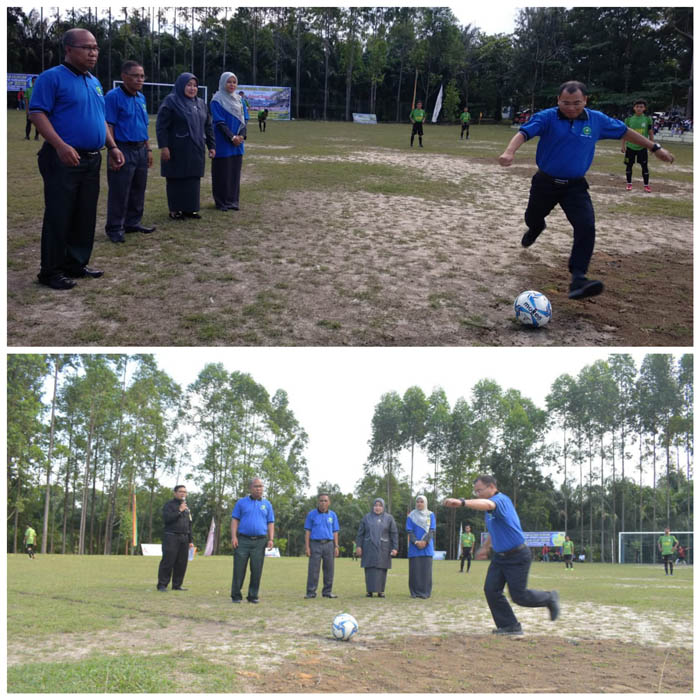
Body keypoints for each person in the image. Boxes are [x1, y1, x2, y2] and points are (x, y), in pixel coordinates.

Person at [498, 80, 675, 300]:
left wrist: (655, 148)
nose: (571, 108)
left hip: (575, 186)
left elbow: (625, 131)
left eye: (576, 103)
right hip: (545, 183)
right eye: (566, 103)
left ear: (585, 101)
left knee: (586, 225)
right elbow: (523, 133)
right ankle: (536, 228)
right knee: (532, 218)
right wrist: (509, 152)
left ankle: (578, 278)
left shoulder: (596, 120)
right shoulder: (547, 117)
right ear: (558, 100)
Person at [29, 28, 125, 290]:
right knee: (59, 214)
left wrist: (113, 146)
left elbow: (100, 119)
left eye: (95, 47)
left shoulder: (93, 81)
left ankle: (76, 263)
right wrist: (59, 145)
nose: (93, 52)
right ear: (69, 49)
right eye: (86, 47)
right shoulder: (52, 78)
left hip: (92, 158)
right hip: (63, 158)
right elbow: (37, 113)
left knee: (85, 214)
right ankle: (50, 271)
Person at [444, 475, 560, 636]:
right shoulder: (489, 510)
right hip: (500, 557)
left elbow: (488, 503)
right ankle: (510, 626)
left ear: (491, 487)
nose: (477, 494)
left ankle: (549, 597)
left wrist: (463, 502)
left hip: (517, 555)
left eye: (479, 490)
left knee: (520, 596)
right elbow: (494, 530)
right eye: (475, 491)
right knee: (491, 590)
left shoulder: (500, 500)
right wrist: (485, 547)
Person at [103, 60, 155, 244]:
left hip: (141, 148)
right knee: (119, 190)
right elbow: (109, 124)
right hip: (122, 148)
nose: (140, 79)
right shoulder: (113, 97)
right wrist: (112, 150)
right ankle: (115, 227)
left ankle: (133, 222)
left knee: (138, 189)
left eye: (142, 76)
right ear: (124, 77)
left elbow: (144, 124)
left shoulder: (140, 97)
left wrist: (148, 148)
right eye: (135, 76)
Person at [156, 72, 215, 220]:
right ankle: (175, 210)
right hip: (176, 148)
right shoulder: (171, 101)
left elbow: (208, 126)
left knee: (193, 179)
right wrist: (164, 146)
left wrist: (211, 146)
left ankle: (190, 209)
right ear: (181, 85)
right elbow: (161, 126)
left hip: (196, 147)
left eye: (195, 85)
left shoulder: (201, 103)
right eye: (189, 85)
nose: (192, 88)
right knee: (176, 178)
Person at [230, 477, 275, 604]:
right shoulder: (241, 503)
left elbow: (270, 522)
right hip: (242, 540)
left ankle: (253, 596)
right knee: (239, 569)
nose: (259, 489)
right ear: (250, 488)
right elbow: (235, 520)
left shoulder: (267, 504)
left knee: (256, 570)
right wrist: (234, 537)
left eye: (260, 486)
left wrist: (271, 539)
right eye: (256, 486)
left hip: (260, 542)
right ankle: (236, 596)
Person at [210, 72, 246, 212]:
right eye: (229, 82)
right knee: (222, 172)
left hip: (238, 144)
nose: (232, 85)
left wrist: (241, 137)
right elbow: (219, 122)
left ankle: (233, 200)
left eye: (234, 82)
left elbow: (244, 121)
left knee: (234, 172)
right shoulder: (216, 100)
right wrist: (232, 137)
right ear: (223, 83)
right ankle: (221, 202)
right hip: (223, 142)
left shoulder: (239, 100)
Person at [356, 497, 398, 598]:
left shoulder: (389, 518)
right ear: (373, 506)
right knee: (369, 568)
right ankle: (369, 591)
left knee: (381, 568)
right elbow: (360, 534)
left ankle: (381, 591)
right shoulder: (366, 518)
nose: (377, 507)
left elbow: (394, 534)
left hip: (384, 547)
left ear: (383, 507)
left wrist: (395, 547)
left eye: (380, 505)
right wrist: (358, 546)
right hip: (368, 547)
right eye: (376, 505)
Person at [157, 485, 194, 591]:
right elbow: (167, 519)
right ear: (175, 493)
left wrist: (190, 540)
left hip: (184, 538)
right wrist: (179, 511)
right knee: (168, 561)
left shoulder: (187, 508)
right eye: (181, 491)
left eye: (185, 492)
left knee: (182, 562)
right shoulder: (169, 505)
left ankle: (177, 585)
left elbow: (189, 524)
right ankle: (162, 585)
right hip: (171, 537)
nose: (183, 494)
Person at [303, 493, 340, 599]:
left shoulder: (333, 515)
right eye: (321, 500)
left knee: (329, 569)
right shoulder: (311, 514)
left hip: (329, 544)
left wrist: (336, 546)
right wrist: (307, 547)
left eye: (325, 501)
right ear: (318, 502)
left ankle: (327, 592)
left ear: (329, 502)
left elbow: (335, 532)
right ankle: (311, 592)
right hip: (315, 544)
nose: (323, 503)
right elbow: (307, 532)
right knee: (313, 569)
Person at [406, 495, 436, 598]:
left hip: (427, 548)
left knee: (426, 571)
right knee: (415, 571)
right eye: (418, 501)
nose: (419, 503)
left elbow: (432, 530)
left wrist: (425, 542)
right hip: (414, 548)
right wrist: (416, 542)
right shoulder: (411, 516)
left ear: (425, 503)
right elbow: (409, 531)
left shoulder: (430, 515)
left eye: (421, 502)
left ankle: (425, 592)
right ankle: (414, 592)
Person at [622, 99, 655, 192]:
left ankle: (646, 185)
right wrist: (623, 145)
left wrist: (652, 145)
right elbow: (625, 133)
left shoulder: (647, 119)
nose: (639, 108)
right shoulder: (628, 119)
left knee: (644, 166)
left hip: (642, 147)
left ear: (644, 108)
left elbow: (650, 132)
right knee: (629, 166)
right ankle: (629, 184)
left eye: (641, 107)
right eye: (637, 107)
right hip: (630, 147)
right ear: (634, 108)